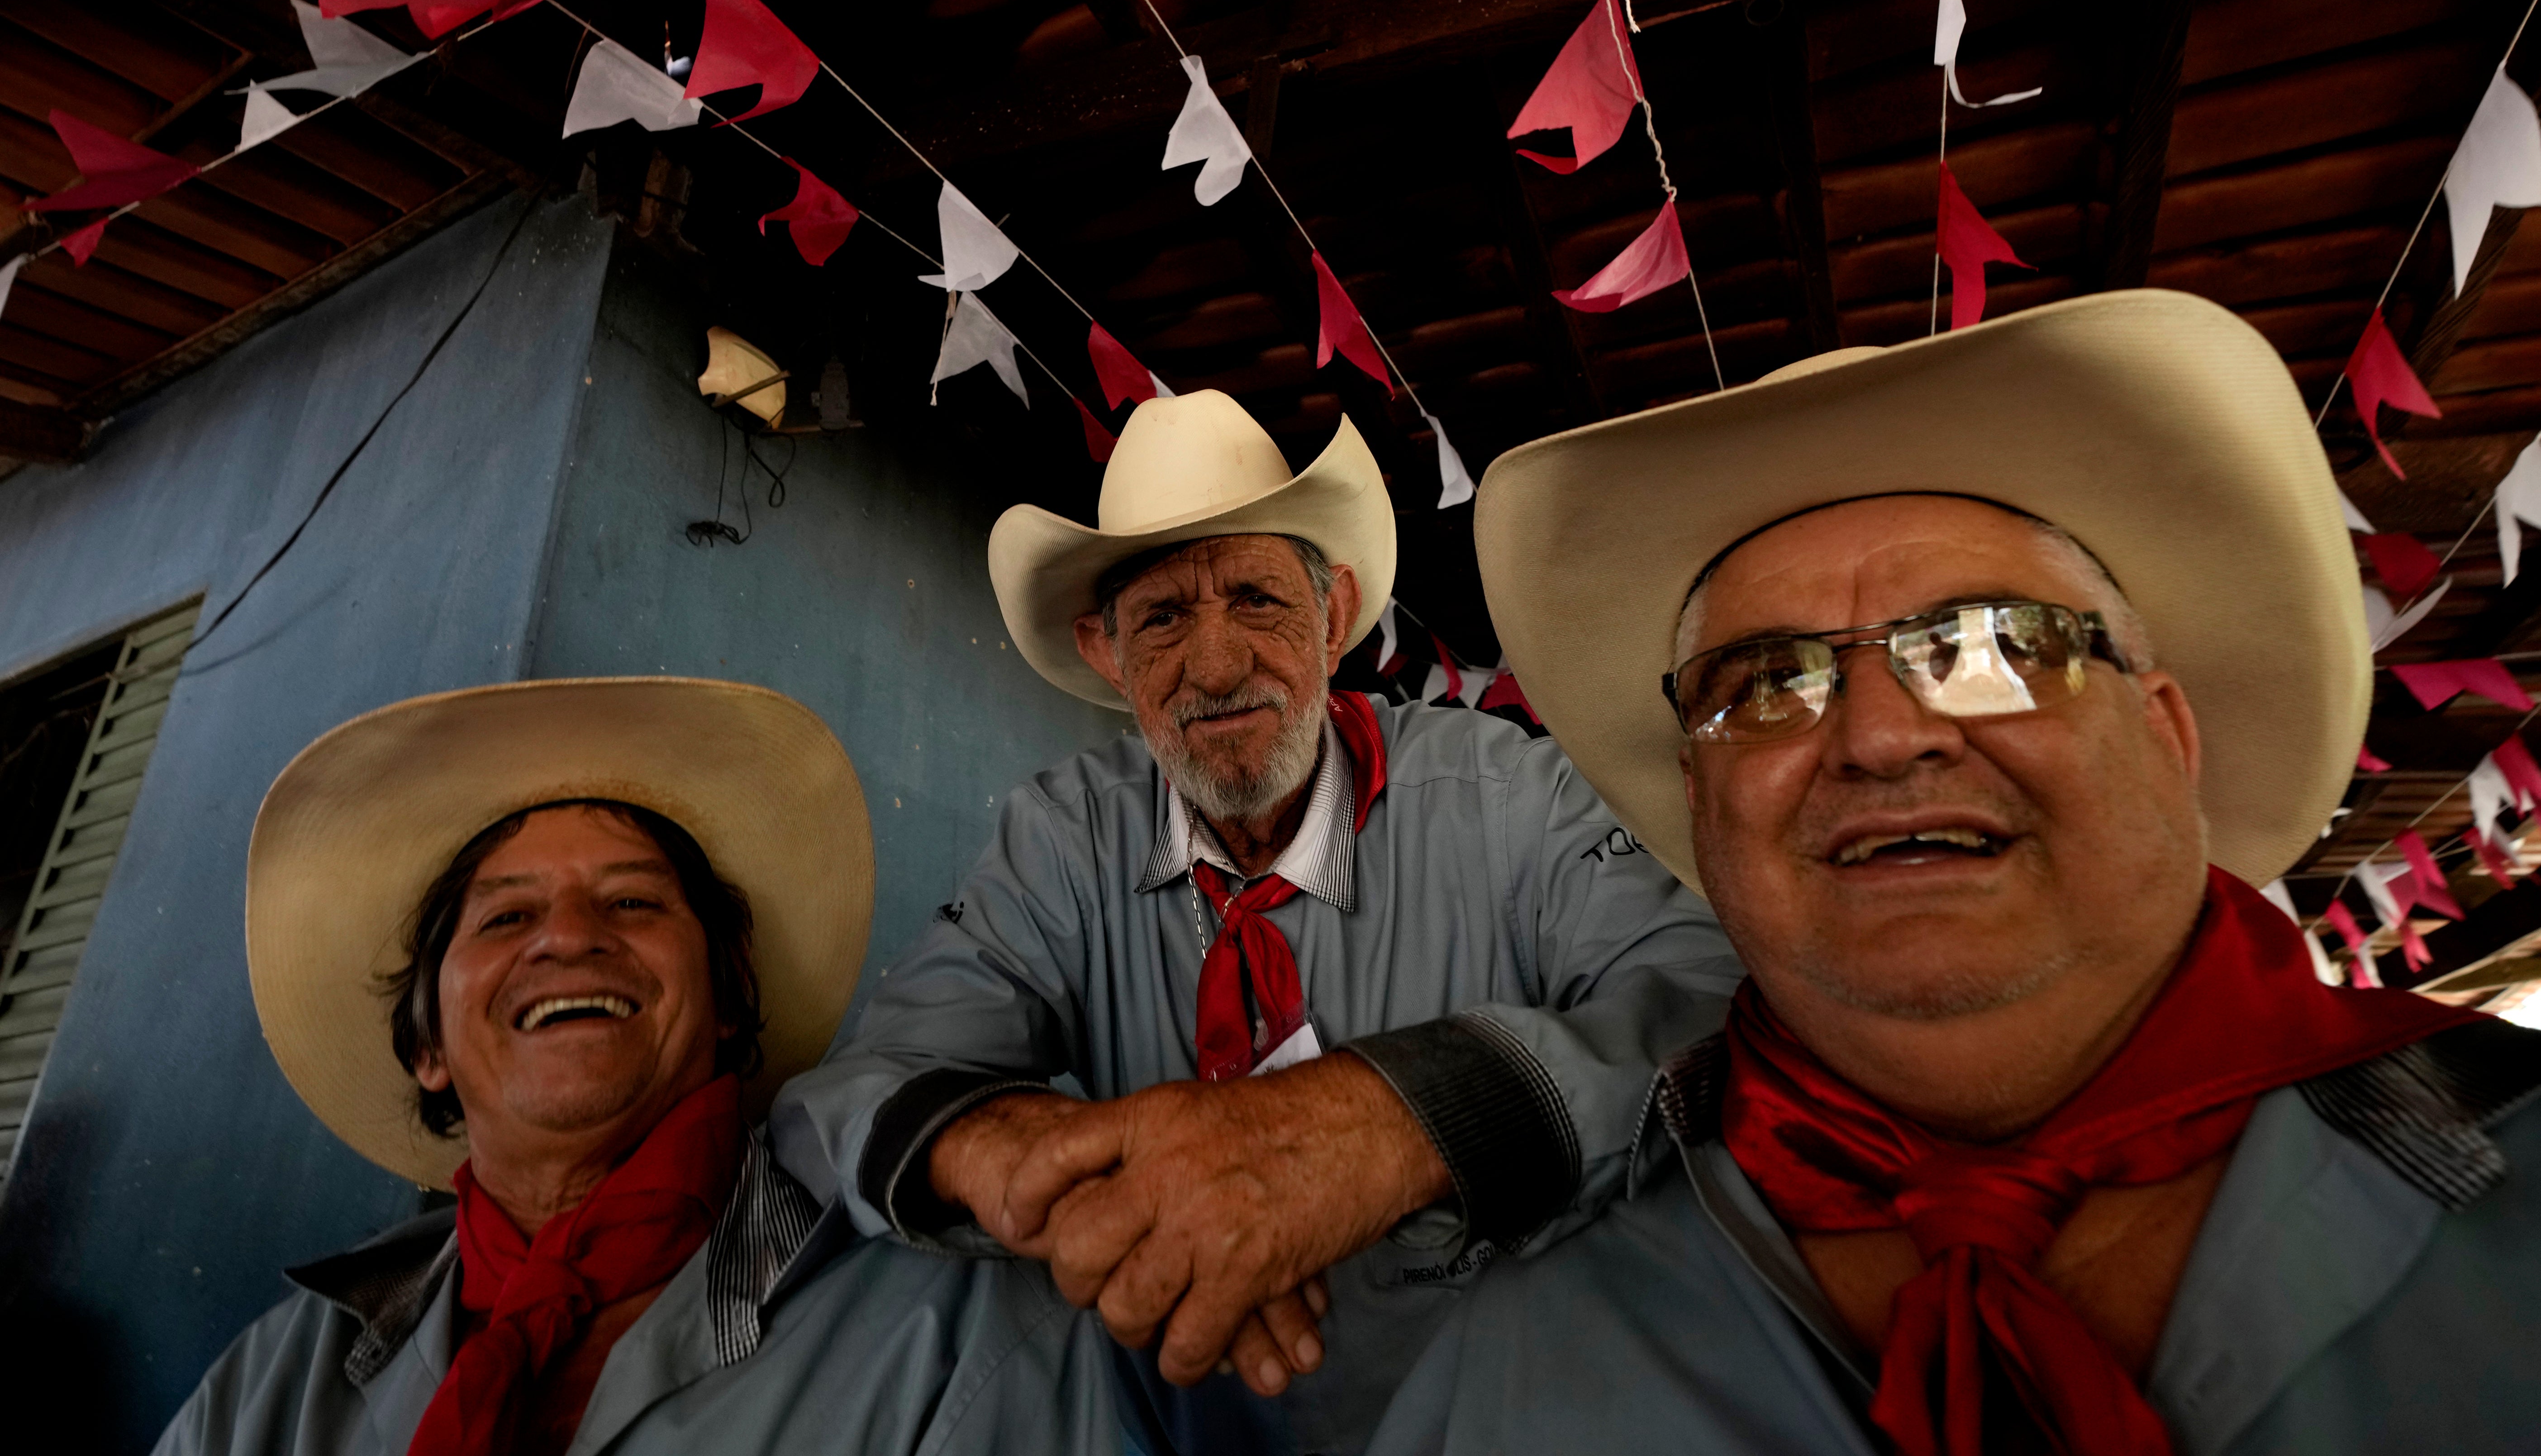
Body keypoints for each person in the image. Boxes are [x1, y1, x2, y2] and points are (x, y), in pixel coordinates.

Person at [1365, 290, 2541, 1456]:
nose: (1882, 737)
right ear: (1701, 800)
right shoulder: (1516, 1372)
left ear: (2168, 733)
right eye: (1768, 685)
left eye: (1995, 648)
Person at [771, 390, 1744, 1455]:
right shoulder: (1067, 837)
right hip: (1166, 1420)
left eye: (1256, 599)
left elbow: (1705, 1001)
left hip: (1498, 1415)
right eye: (1163, 618)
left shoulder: (1510, 797)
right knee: (897, 1295)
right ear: (1107, 653)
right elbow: (869, 1084)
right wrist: (1045, 1165)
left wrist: (1392, 1122)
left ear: (1332, 616)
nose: (1218, 666)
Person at [157, 677, 1117, 1456]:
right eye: (506, 917)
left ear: (730, 998)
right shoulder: (271, 1391)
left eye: (633, 904)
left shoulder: (956, 1334)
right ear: (427, 1049)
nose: (569, 938)